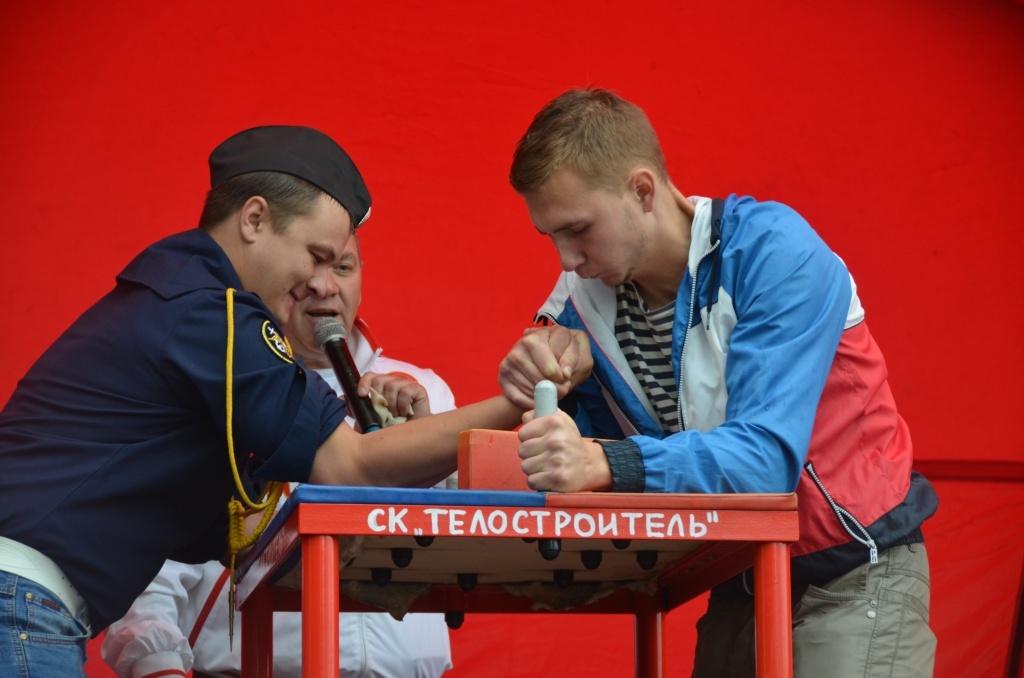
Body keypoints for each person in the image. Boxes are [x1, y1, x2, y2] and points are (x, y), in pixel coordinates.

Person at [0, 125, 520, 675]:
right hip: (23, 602)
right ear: (253, 220)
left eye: (340, 266)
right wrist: (520, 403)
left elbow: (245, 532)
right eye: (315, 256)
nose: (317, 283)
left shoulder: (181, 295)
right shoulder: (216, 312)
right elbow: (347, 467)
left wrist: (386, 436)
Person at [498, 89, 938, 677]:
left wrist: (606, 462)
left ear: (643, 190)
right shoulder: (580, 299)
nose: (566, 259)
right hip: (738, 573)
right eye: (549, 236)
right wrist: (540, 387)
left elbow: (766, 462)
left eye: (577, 229)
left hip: (853, 570)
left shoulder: (773, 251)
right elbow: (581, 450)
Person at [102, 234, 455, 678]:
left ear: (362, 278)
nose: (325, 286)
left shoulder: (426, 391)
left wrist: (418, 440)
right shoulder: (219, 385)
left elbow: (471, 544)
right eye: (310, 267)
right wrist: (157, 665)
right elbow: (153, 559)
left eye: (343, 268)